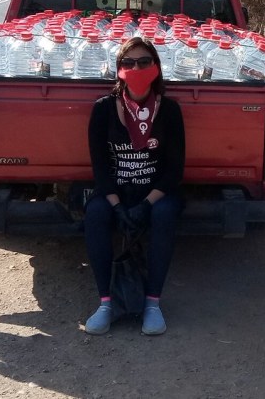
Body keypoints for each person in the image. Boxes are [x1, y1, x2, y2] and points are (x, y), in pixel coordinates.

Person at [84, 37, 185, 335]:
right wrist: (117, 206)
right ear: (118, 70)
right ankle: (106, 303)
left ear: (156, 67)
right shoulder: (103, 109)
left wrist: (145, 205)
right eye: (128, 63)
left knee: (164, 215)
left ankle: (152, 303)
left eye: (144, 62)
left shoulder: (169, 110)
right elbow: (100, 166)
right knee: (96, 214)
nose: (136, 68)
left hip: (156, 193)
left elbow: (173, 169)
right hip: (116, 191)